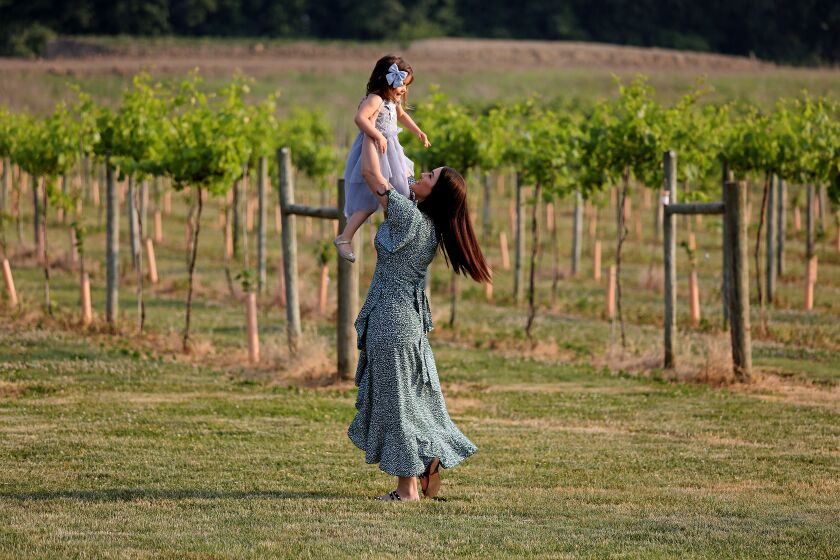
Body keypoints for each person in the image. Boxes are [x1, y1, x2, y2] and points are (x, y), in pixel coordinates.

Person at [347, 151, 492, 501]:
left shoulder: (409, 217)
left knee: (398, 405)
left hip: (392, 322)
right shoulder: (427, 226)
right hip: (407, 323)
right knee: (413, 401)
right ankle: (426, 459)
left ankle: (407, 489)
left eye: (430, 176)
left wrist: (373, 125)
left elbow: (369, 171)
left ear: (435, 193)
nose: (423, 174)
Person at [334, 54, 430, 263]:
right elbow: (360, 118)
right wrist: (377, 135)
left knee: (396, 194)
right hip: (374, 150)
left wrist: (418, 131)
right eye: (402, 84)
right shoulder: (375, 99)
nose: (404, 90)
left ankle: (394, 236)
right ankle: (344, 237)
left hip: (390, 150)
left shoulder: (391, 100)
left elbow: (402, 116)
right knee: (369, 201)